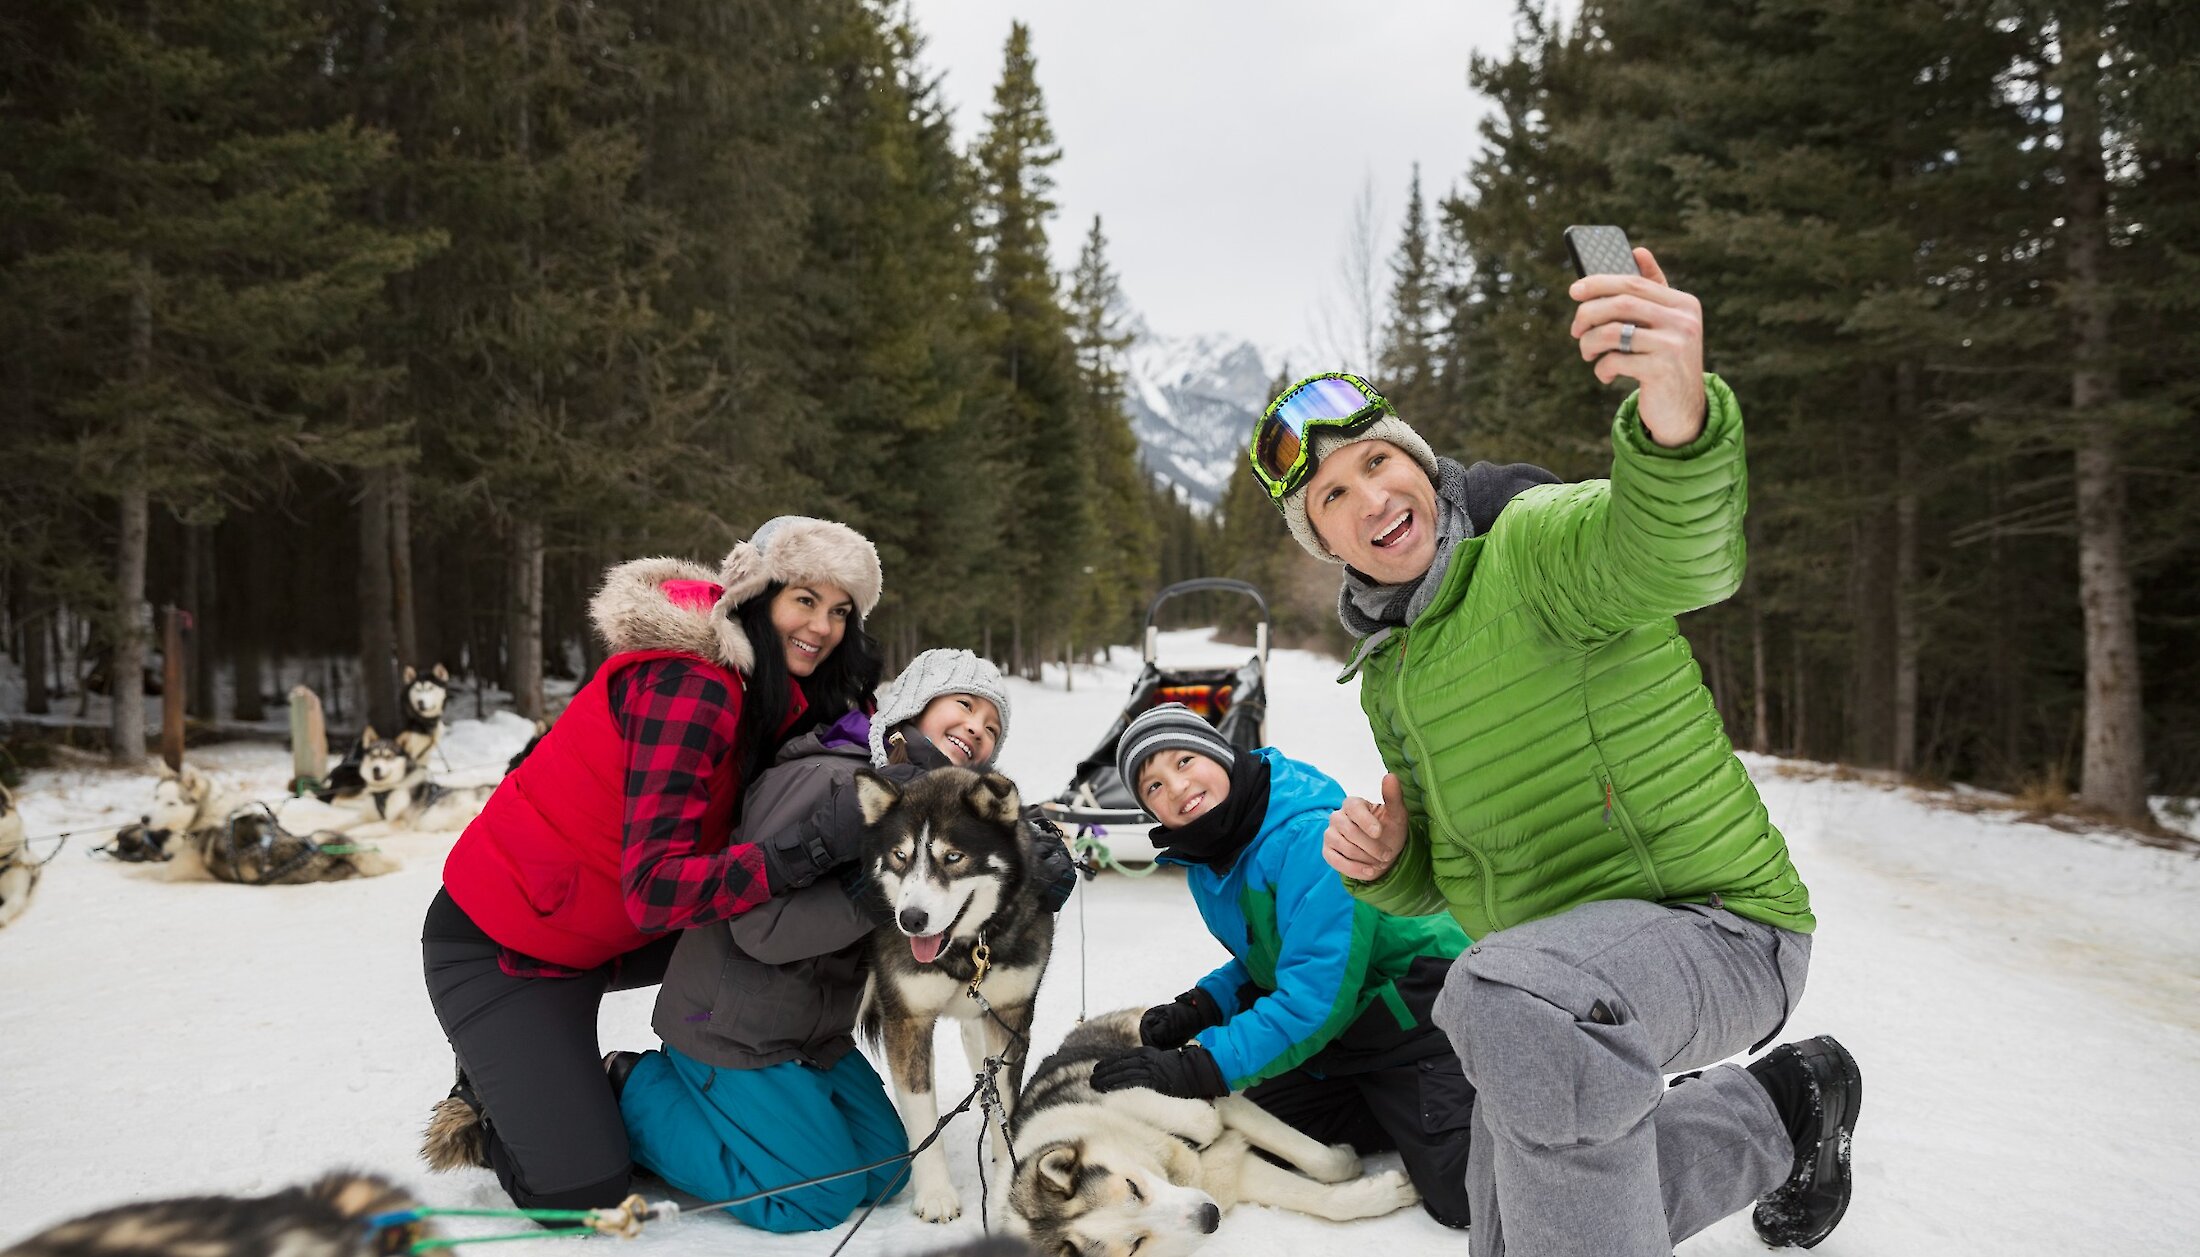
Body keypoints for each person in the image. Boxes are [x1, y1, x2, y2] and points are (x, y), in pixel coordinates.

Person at [1255, 249, 1861, 1255]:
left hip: (1717, 929)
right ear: (1323, 542)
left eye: (1376, 461)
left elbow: (1674, 551)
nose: (1365, 496)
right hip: (1561, 984)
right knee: (1506, 1216)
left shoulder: (1532, 545)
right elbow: (1457, 876)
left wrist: (1677, 418)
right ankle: (1784, 1109)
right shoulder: (1390, 671)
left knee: (1493, 1000)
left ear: (1418, 464)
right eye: (1328, 495)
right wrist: (1393, 863)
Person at [419, 517, 885, 1212]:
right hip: (507, 947)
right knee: (578, 1190)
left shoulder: (777, 692)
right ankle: (504, 1095)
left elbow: (895, 743)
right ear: (756, 595)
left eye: (841, 609)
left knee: (772, 917)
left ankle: (740, 1078)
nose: (822, 625)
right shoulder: (692, 686)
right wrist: (812, 846)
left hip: (601, 934)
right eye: (805, 599)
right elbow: (657, 889)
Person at [615, 649, 1077, 1232]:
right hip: (735, 1023)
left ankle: (747, 1115)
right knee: (817, 1197)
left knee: (886, 1172)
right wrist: (880, 895)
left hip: (816, 1031)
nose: (975, 730)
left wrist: (1026, 869)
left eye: (990, 728)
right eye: (963, 705)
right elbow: (759, 929)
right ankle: (638, 1091)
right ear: (913, 705)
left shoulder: (929, 802)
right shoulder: (827, 778)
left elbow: (969, 859)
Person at [1086, 703, 1476, 1228]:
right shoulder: (1211, 857)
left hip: (1423, 1018)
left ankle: (1482, 1081)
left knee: (1463, 1194)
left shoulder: (1308, 839)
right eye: (1152, 786)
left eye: (1182, 762)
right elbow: (1270, 958)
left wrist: (1202, 1063)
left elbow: (1314, 998)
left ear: (1219, 753)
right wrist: (1204, 1004)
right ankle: (1395, 1108)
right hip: (1348, 1032)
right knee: (1251, 1132)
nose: (1174, 789)